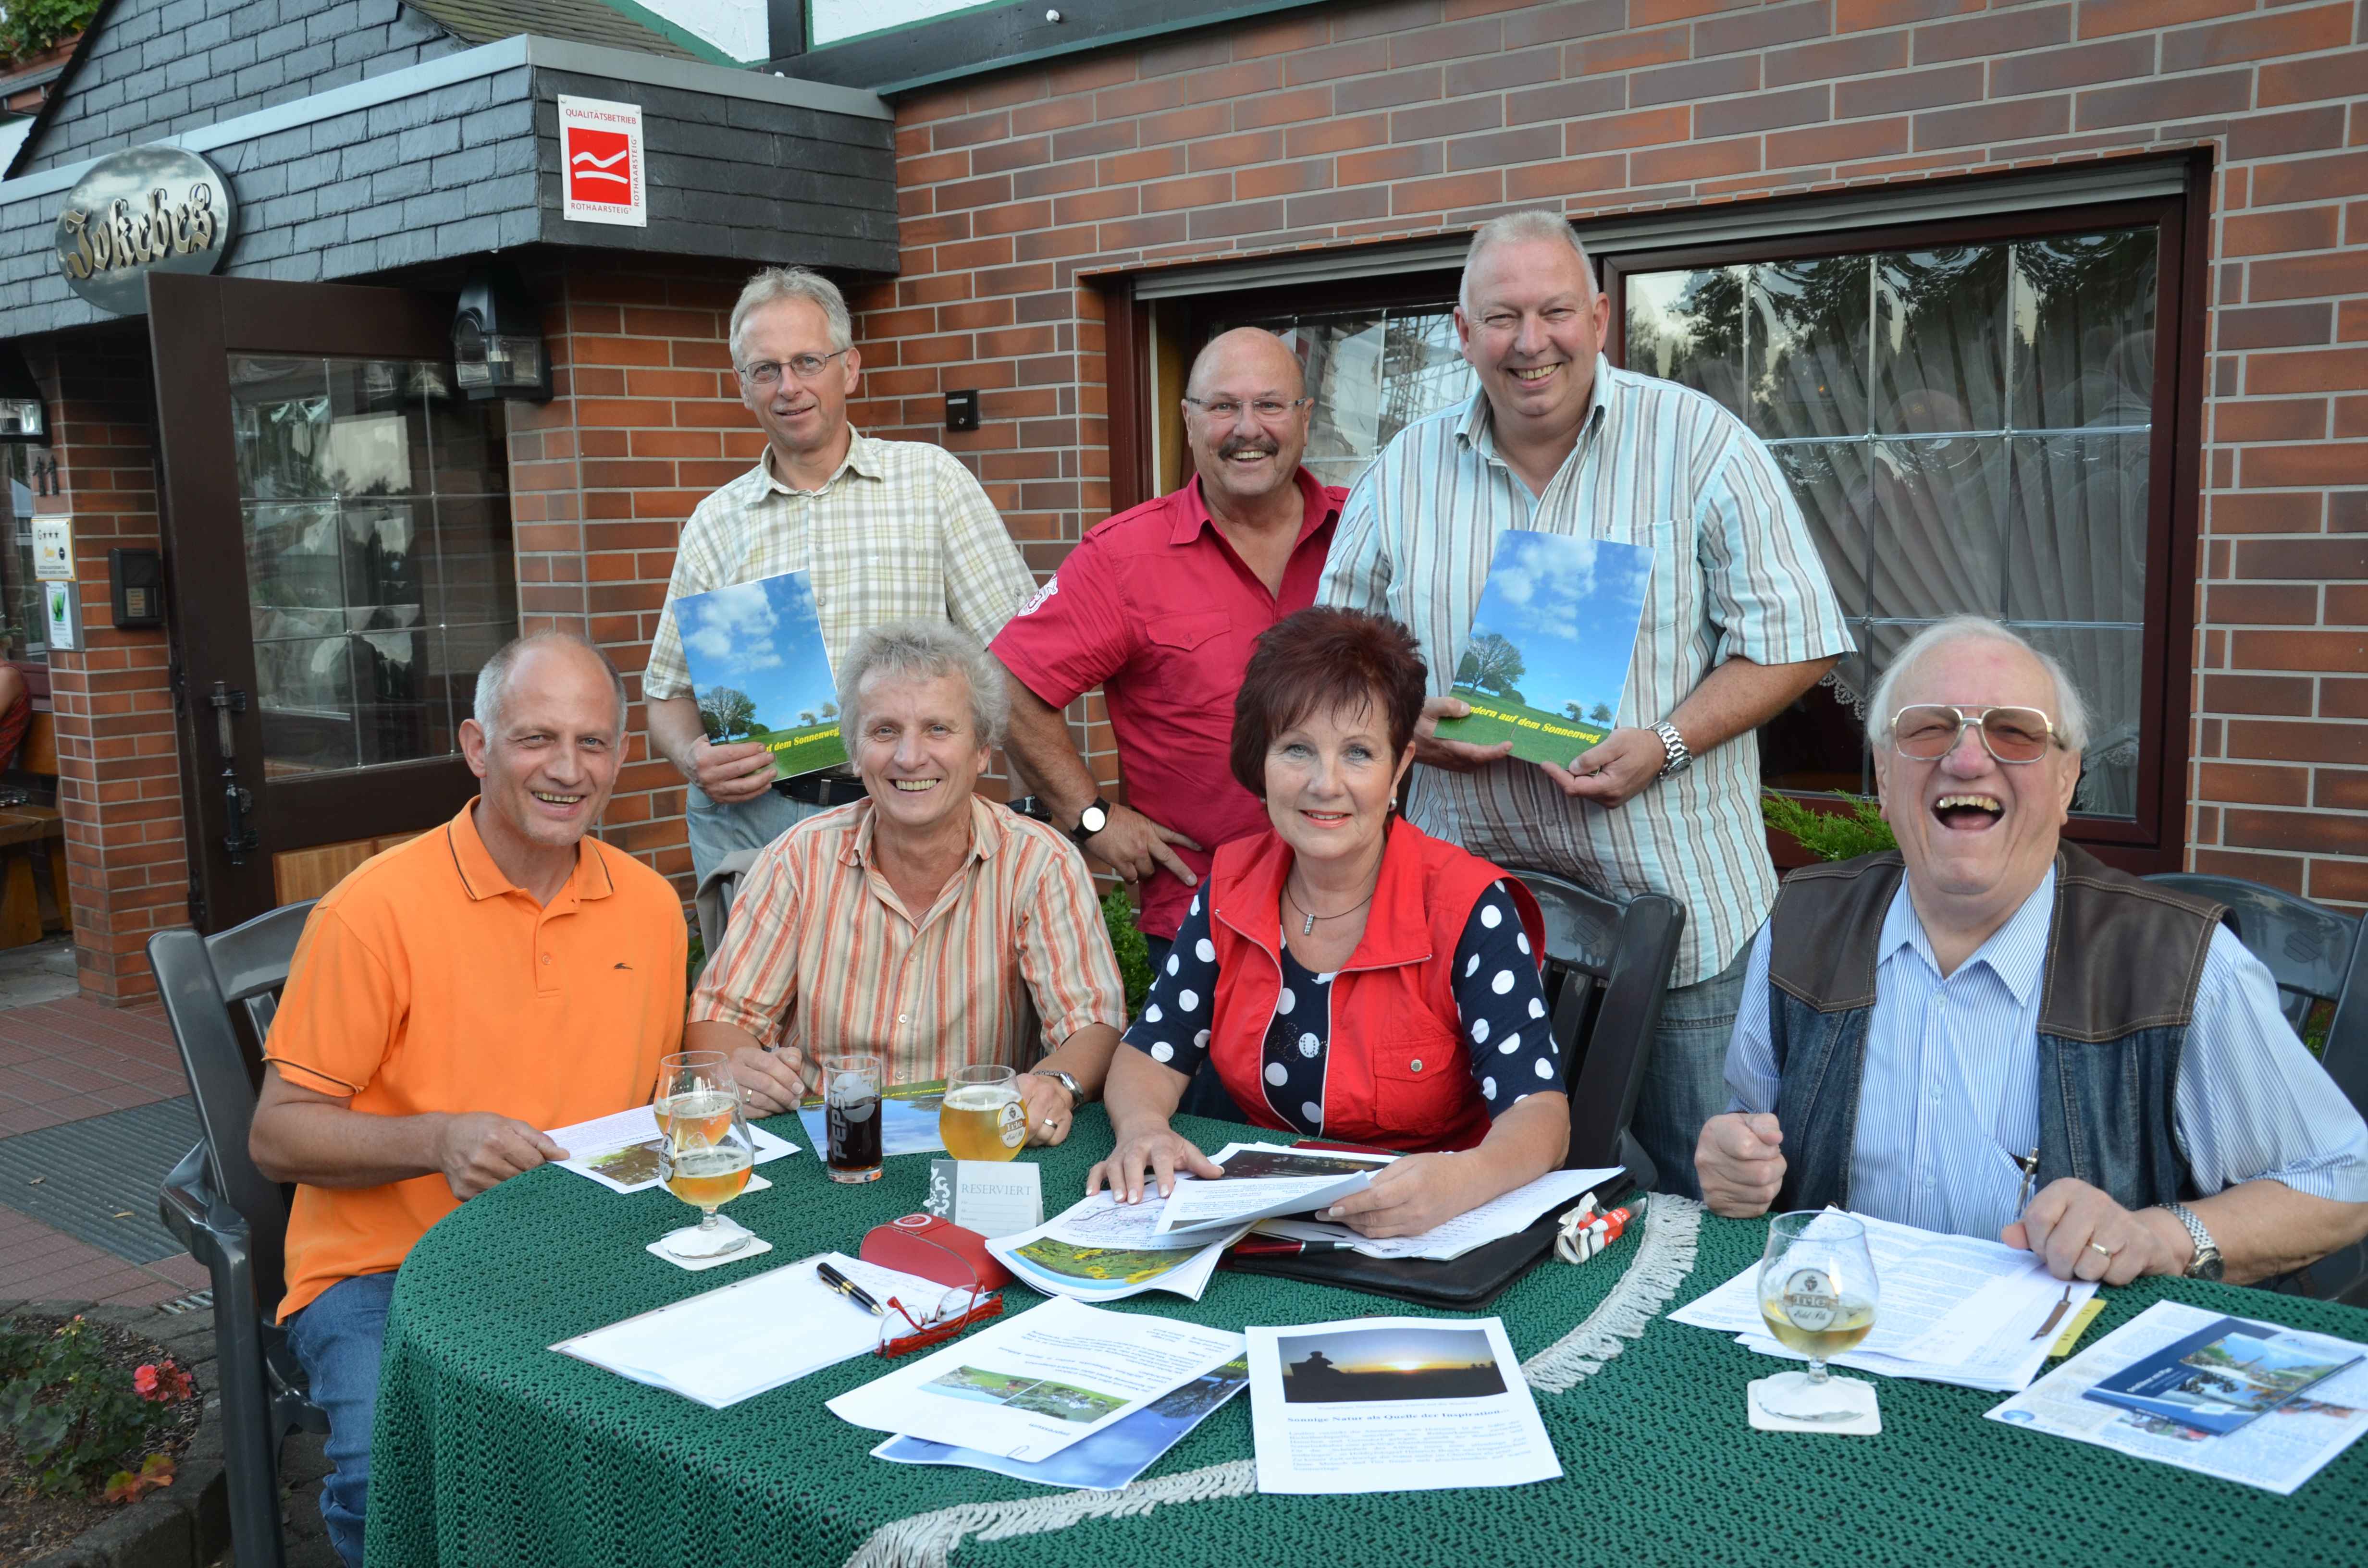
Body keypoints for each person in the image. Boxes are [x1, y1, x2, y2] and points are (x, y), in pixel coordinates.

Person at [1319, 209, 1854, 1199]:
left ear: (1599, 318)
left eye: (1556, 311)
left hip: (1675, 921)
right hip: (1471, 927)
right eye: (1503, 316)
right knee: (1492, 1199)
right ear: (1460, 328)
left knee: (1703, 1203)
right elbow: (1335, 659)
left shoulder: (1699, 444)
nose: (1532, 342)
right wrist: (1401, 725)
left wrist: (1667, 739)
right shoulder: (1399, 474)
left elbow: (1794, 641)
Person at [1697, 616, 2368, 1287]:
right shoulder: (1803, 923)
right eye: (1928, 728)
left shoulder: (2181, 963)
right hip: (1839, 1340)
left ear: (2068, 778)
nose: (1965, 760)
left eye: (2014, 732)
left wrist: (2163, 1236)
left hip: (2076, 1366)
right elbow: (1751, 1128)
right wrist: (1735, 1163)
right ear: (1883, 768)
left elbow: (2343, 1180)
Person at [248, 633, 688, 1567]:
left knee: (700, 1430)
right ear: (477, 747)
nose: (568, 771)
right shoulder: (372, 912)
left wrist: (734, 1068)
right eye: (536, 739)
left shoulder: (652, 907)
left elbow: (667, 1087)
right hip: (382, 1269)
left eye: (595, 743)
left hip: (584, 1248)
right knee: (390, 1468)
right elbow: (277, 1138)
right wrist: (439, 1140)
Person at [1089, 608, 1570, 1238]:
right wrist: (1145, 1129)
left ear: (1400, 769)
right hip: (1270, 1223)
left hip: (1433, 1226)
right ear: (1259, 761)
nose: (1326, 783)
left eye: (1359, 754)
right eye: (1297, 749)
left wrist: (1463, 1180)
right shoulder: (1230, 887)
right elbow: (1151, 1052)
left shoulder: (1467, 906)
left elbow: (1540, 1115)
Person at [643, 266, 1037, 884]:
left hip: (907, 814)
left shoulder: (930, 483)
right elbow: (667, 692)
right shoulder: (715, 523)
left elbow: (1017, 659)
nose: (788, 387)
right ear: (742, 387)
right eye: (765, 370)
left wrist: (1029, 811)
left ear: (849, 369)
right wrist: (695, 758)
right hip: (754, 823)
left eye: (807, 361)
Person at [694, 620, 1124, 1144]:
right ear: (854, 751)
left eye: (938, 729)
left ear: (983, 750)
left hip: (976, 1144)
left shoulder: (1040, 862)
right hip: (822, 1149)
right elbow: (722, 1017)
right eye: (885, 731)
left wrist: (1056, 1084)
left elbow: (1092, 1024)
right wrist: (739, 1070)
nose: (909, 757)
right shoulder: (796, 859)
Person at [991, 327, 1344, 965]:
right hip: (1204, 921)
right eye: (1222, 407)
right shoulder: (1126, 558)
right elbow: (1006, 684)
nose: (1247, 428)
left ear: (1304, 418)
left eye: (1269, 405)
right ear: (1187, 420)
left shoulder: (1364, 534)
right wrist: (1091, 817)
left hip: (1363, 905)